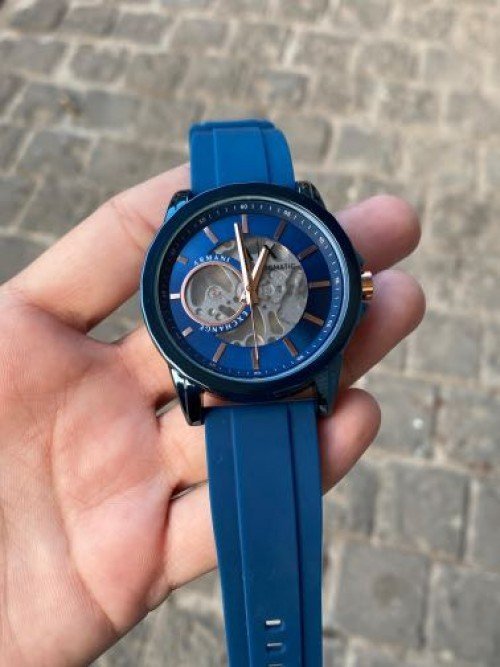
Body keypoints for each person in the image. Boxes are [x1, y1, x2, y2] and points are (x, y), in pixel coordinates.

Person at [0, 163, 424, 665]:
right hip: (238, 376)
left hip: (288, 371)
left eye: (254, 286)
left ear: (359, 288)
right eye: (240, 290)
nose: (248, 295)